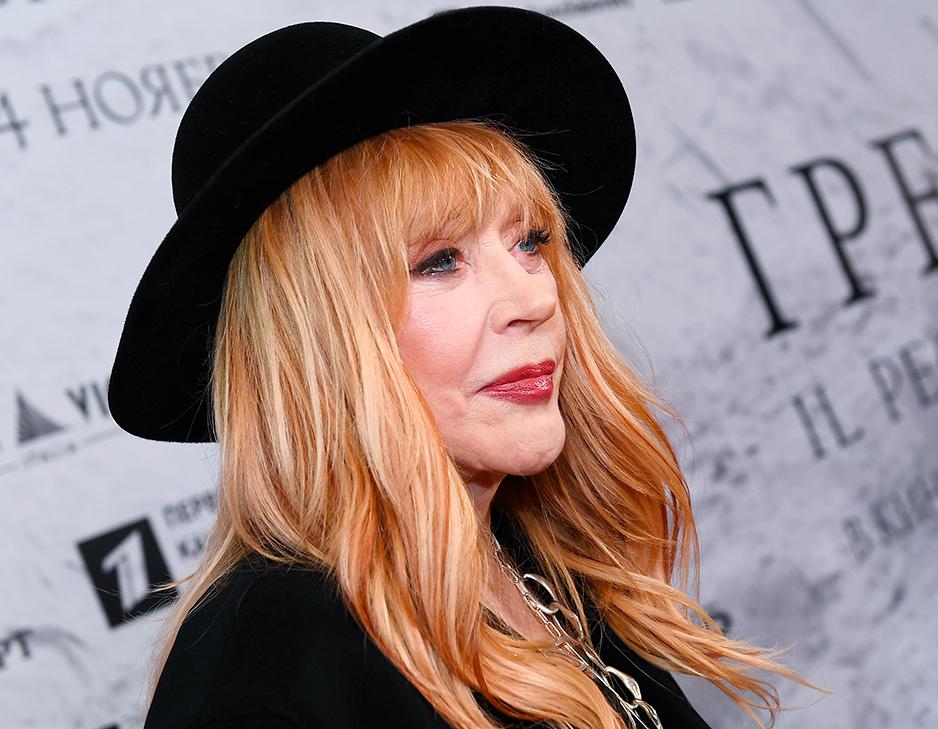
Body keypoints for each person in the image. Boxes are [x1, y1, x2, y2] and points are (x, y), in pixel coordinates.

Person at [107, 7, 828, 729]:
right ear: (311, 343)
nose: (536, 297)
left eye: (530, 241)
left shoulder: (538, 561)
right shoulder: (269, 677)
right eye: (440, 261)